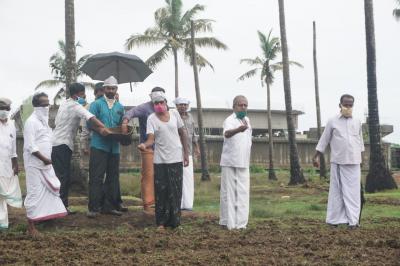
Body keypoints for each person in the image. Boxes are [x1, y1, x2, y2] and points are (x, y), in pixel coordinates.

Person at [52, 82, 110, 213]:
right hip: (62, 144)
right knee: (62, 177)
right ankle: (60, 208)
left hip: (56, 143)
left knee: (61, 176)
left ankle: (62, 206)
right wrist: (105, 128)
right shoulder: (75, 106)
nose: (85, 96)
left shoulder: (64, 103)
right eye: (83, 93)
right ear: (77, 94)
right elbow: (90, 117)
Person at [138, 91, 189, 229]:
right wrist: (144, 145)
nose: (159, 105)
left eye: (162, 102)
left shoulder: (174, 114)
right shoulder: (151, 119)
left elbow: (182, 133)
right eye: (156, 103)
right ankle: (161, 222)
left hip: (176, 158)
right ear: (153, 105)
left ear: (166, 103)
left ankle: (175, 222)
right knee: (161, 192)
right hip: (160, 160)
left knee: (176, 191)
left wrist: (186, 153)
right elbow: (150, 139)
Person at [313, 94, 364, 228]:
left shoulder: (357, 121)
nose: (348, 107)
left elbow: (360, 142)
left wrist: (362, 159)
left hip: (354, 163)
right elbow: (324, 139)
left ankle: (353, 222)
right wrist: (316, 156)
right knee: (336, 192)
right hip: (338, 162)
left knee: (353, 194)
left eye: (350, 105)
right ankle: (333, 221)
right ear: (340, 105)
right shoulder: (332, 121)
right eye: (345, 105)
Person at [23, 93, 67, 236]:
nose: (46, 107)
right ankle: (31, 227)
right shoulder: (31, 122)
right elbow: (30, 146)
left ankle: (48, 220)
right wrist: (44, 158)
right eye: (43, 104)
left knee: (52, 189)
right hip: (35, 165)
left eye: (48, 104)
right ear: (36, 106)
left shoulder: (44, 122)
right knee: (34, 194)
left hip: (46, 164)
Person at [121, 87, 166, 212]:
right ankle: (148, 204)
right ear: (151, 96)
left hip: (163, 148)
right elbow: (130, 113)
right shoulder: (144, 108)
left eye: (161, 100)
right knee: (148, 175)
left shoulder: (166, 108)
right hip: (147, 147)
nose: (159, 103)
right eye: (156, 100)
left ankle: (161, 202)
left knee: (162, 175)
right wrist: (125, 122)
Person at [87, 76, 126, 218]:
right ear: (103, 89)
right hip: (99, 146)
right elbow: (89, 124)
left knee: (113, 177)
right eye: (108, 88)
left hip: (114, 147)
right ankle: (93, 207)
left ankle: (109, 207)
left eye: (113, 88)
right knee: (96, 177)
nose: (110, 90)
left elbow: (122, 124)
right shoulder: (96, 104)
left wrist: (125, 131)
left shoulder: (120, 107)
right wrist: (100, 130)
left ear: (116, 89)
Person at [219, 95, 252, 230]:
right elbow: (226, 134)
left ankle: (241, 224)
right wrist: (238, 129)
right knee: (229, 193)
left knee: (243, 194)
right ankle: (228, 223)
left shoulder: (247, 120)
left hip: (243, 161)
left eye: (245, 105)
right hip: (230, 161)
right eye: (240, 105)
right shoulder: (230, 120)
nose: (243, 107)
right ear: (234, 107)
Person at [173, 97, 200, 211]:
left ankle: (188, 204)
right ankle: (178, 203)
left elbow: (193, 134)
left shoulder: (191, 118)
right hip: (175, 152)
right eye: (180, 105)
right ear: (176, 106)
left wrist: (197, 147)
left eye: (185, 104)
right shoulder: (173, 117)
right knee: (177, 178)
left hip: (187, 152)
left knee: (188, 178)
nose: (183, 106)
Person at [0, 98, 22, 230]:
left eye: (6, 109)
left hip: (7, 164)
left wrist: (16, 163)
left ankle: (2, 223)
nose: (4, 111)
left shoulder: (12, 125)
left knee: (3, 194)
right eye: (1, 108)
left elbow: (13, 147)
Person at [80, 82, 105, 156]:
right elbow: (85, 128)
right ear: (95, 93)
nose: (103, 95)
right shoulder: (89, 107)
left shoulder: (110, 106)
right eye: (101, 92)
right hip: (95, 142)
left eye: (104, 92)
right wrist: (84, 146)